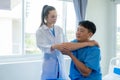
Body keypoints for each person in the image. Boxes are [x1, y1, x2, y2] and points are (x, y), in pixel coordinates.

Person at [36, 5, 99, 80]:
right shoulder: (40, 31)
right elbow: (41, 46)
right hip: (49, 63)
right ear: (46, 17)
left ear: (90, 34)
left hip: (60, 61)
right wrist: (54, 46)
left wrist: (88, 43)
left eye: (56, 16)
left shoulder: (59, 29)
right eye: (52, 17)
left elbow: (67, 45)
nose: (55, 19)